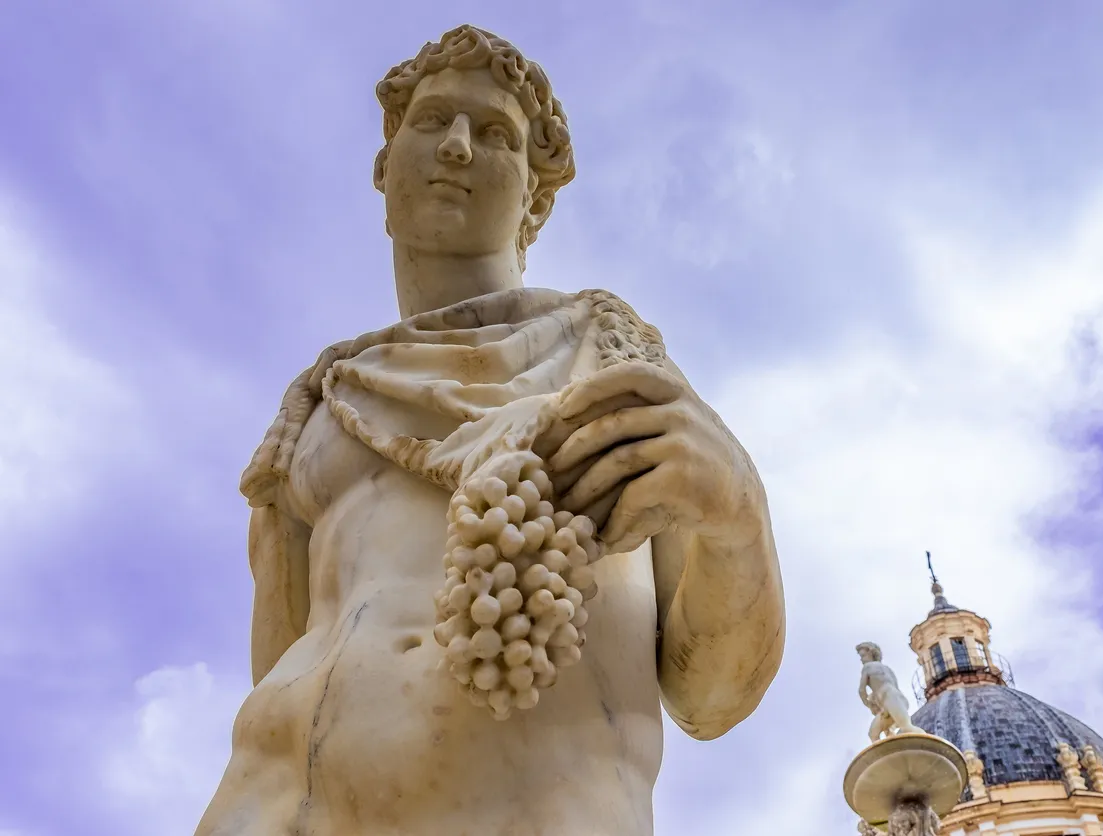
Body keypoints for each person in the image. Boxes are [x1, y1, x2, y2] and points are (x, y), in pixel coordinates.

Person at [194, 24, 785, 836]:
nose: (459, 149)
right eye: (433, 122)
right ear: (385, 167)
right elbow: (273, 665)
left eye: (496, 134)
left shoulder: (602, 354)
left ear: (536, 197)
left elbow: (712, 697)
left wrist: (738, 514)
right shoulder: (318, 403)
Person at [857, 641, 923, 741]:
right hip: (892, 701)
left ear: (870, 653)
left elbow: (862, 690)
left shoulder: (867, 667)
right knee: (873, 733)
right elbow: (895, 687)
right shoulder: (887, 669)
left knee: (906, 728)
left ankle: (931, 744)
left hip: (889, 699)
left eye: (863, 656)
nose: (861, 660)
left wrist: (869, 704)